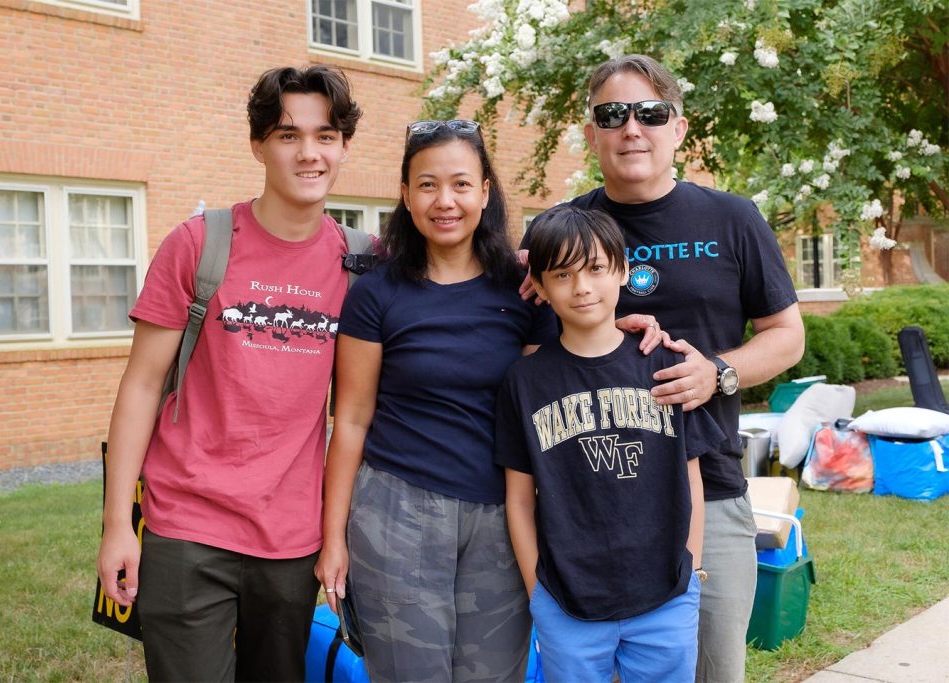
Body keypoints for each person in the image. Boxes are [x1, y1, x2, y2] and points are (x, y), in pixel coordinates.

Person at [522, 54, 804, 682]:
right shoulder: (561, 235)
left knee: (709, 672)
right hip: (587, 508)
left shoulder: (732, 219)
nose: (631, 128)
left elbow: (787, 337)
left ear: (677, 128)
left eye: (651, 113)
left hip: (711, 490)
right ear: (591, 131)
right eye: (612, 114)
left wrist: (718, 374)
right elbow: (532, 361)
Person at [96, 64, 366, 682]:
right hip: (188, 527)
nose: (309, 153)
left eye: (325, 136)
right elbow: (140, 387)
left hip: (292, 539)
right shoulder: (198, 244)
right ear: (258, 144)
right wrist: (118, 526)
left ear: (344, 147)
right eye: (287, 135)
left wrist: (538, 273)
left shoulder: (362, 263)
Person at [313, 118, 560, 682]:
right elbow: (350, 419)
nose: (444, 201)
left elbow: (549, 399)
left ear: (485, 192)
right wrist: (333, 540)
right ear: (404, 193)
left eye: (460, 184)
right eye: (427, 185)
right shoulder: (377, 293)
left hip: (504, 515)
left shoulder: (525, 291)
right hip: (396, 512)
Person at [497, 205, 724, 681]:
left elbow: (691, 474)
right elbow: (518, 500)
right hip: (567, 602)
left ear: (622, 270)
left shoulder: (665, 365)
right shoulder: (524, 382)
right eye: (562, 274)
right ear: (538, 286)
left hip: (666, 595)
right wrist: (537, 591)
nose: (582, 287)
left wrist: (694, 568)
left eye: (596, 269)